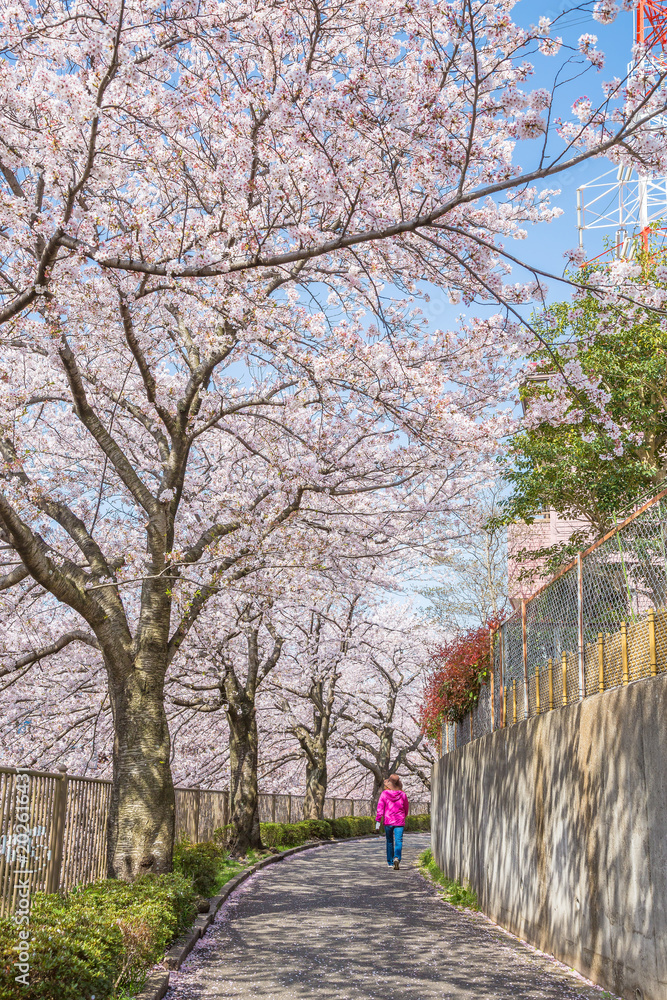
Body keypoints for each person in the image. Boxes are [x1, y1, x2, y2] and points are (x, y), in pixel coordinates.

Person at [375, 774, 409, 870]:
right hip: (399, 821)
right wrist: (403, 817)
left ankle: (390, 862)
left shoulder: (384, 794)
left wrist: (378, 822)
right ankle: (397, 857)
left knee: (389, 841)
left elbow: (380, 809)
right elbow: (406, 809)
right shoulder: (403, 795)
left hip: (388, 821)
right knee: (399, 841)